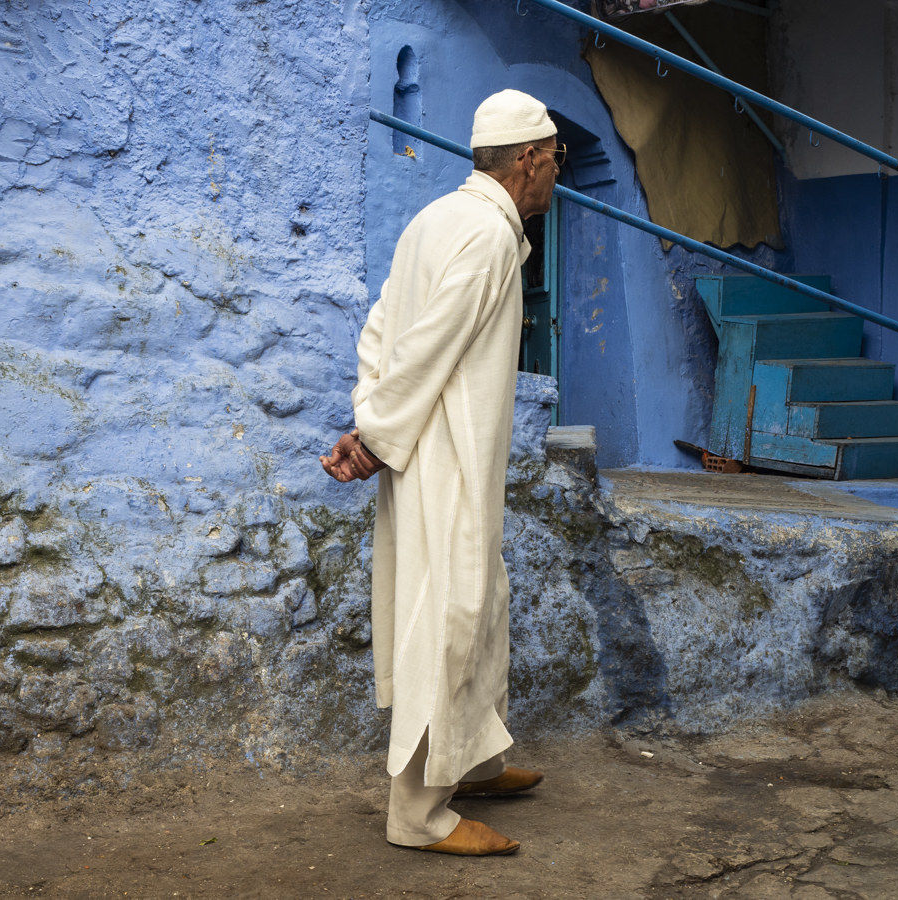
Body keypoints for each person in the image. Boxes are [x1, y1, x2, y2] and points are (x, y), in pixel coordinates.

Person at [320, 89, 562, 856]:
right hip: (444, 457)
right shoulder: (488, 238)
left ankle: (476, 761)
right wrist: (375, 436)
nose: (558, 173)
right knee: (449, 618)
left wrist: (371, 421)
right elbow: (423, 349)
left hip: (424, 448)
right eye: (556, 158)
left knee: (480, 601)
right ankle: (418, 815)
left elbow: (383, 330)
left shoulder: (434, 220)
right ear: (526, 159)